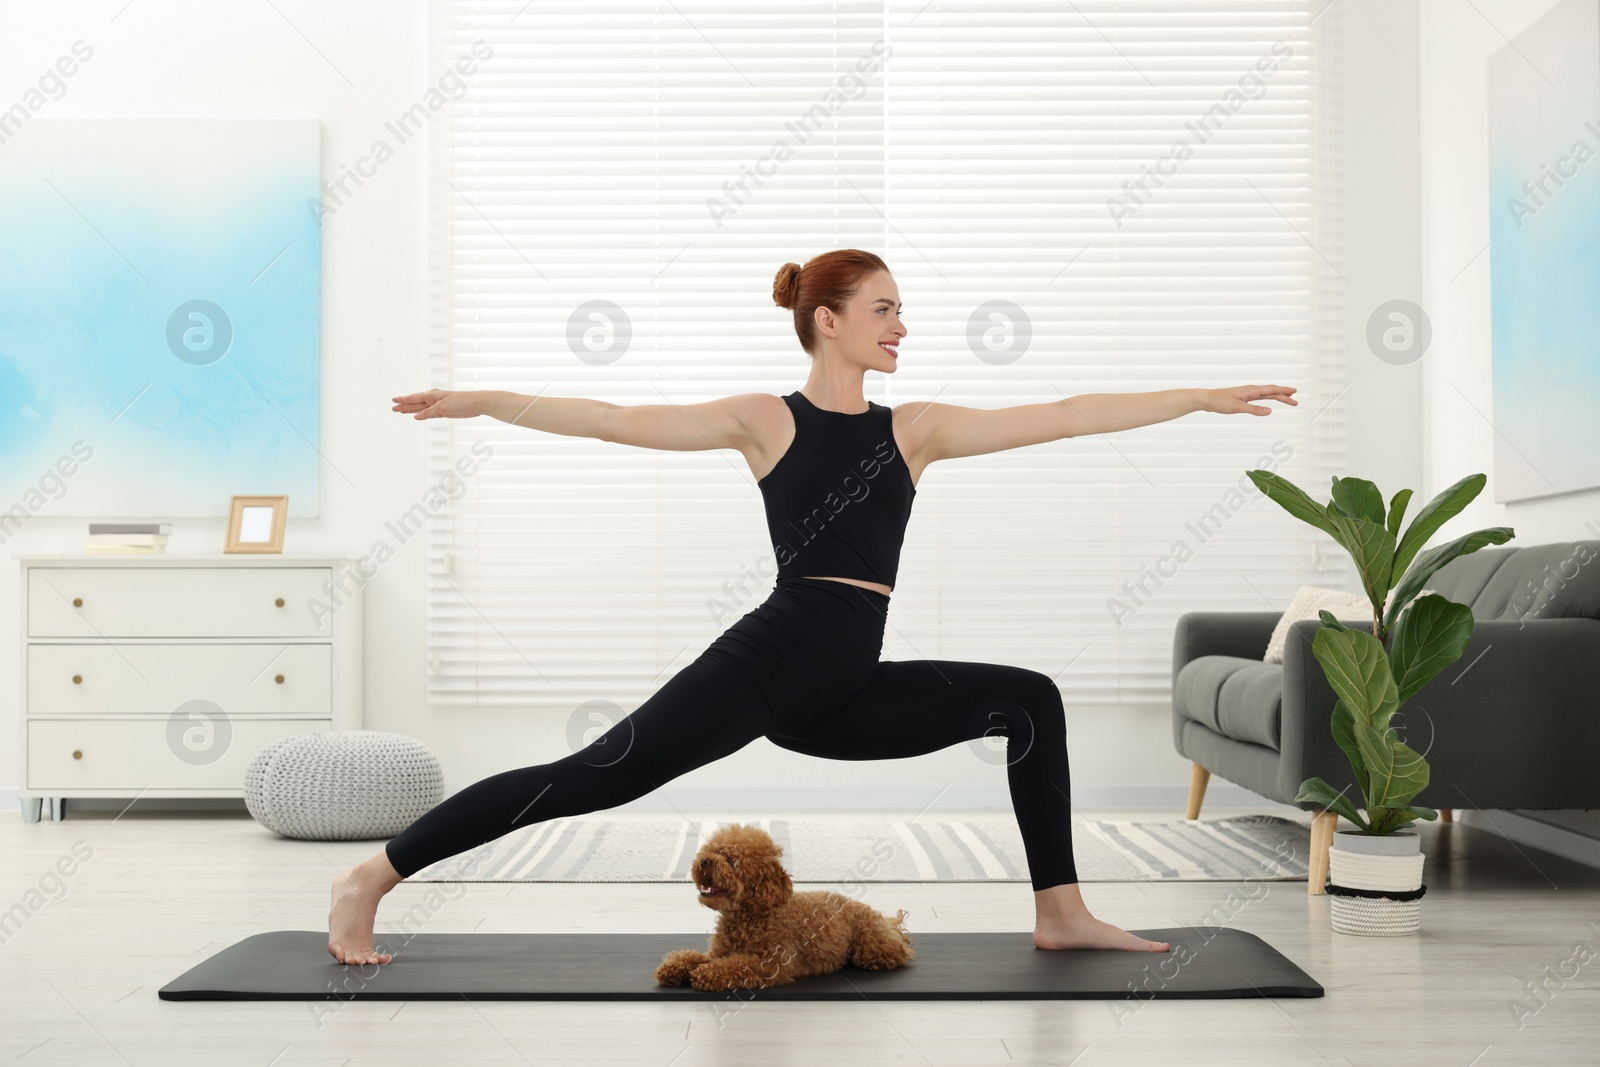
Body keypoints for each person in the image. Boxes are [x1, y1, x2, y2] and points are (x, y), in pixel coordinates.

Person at [327, 248, 1297, 965]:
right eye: (883, 309)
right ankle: (373, 874)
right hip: (778, 655)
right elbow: (616, 420)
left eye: (901, 311)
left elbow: (1070, 412)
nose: (901, 326)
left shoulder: (912, 430)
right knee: (596, 776)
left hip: (842, 686)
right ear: (827, 320)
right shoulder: (767, 419)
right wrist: (488, 400)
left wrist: (1200, 397)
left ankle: (1059, 909)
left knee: (1027, 698)